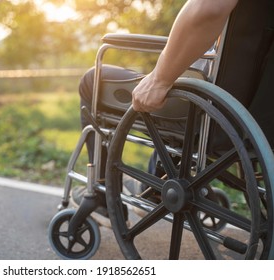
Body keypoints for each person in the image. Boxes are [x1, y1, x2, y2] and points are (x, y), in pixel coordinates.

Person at [72, 0, 274, 225]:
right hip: (258, 123)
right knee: (183, 91)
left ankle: (103, 198)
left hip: (216, 114)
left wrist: (160, 78)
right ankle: (154, 182)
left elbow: (210, 8)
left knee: (92, 81)